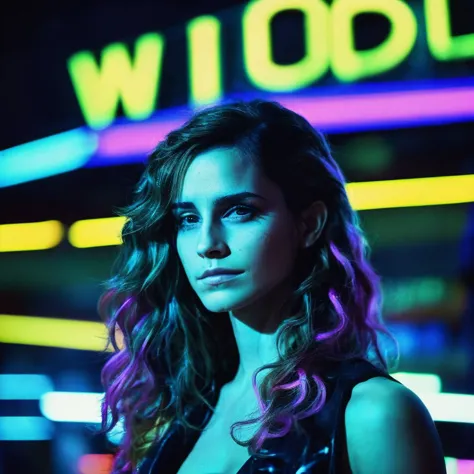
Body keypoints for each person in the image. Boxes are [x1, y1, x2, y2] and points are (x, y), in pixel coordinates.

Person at [98, 100, 446, 474]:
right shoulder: (179, 412)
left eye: (239, 210)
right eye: (188, 218)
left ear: (308, 224)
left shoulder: (375, 413)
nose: (207, 243)